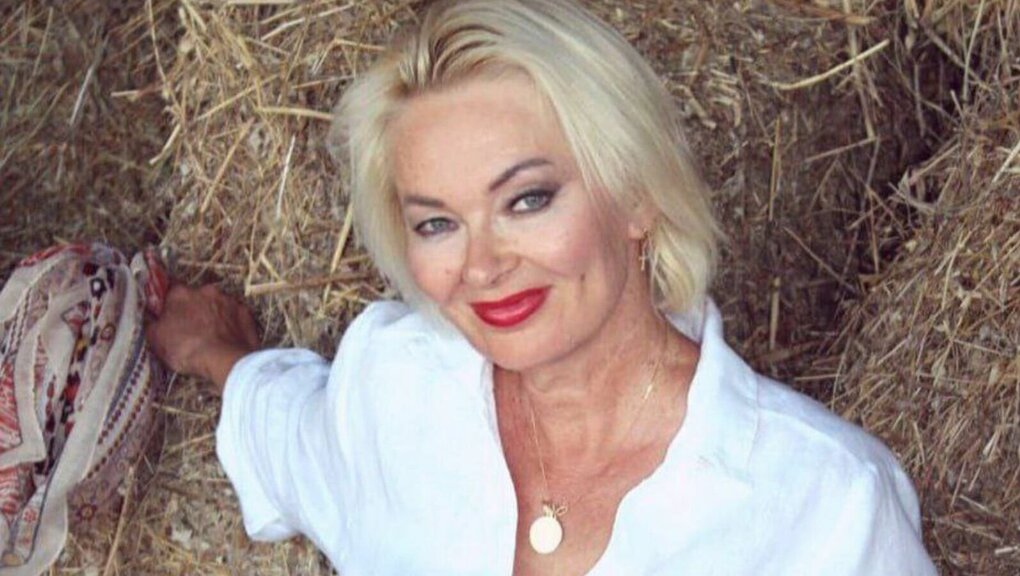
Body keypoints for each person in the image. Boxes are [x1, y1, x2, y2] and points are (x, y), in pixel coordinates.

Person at [144, 0, 937, 574]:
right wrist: (217, 353)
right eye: (437, 223)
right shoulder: (395, 389)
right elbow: (290, 431)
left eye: (527, 200)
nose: (483, 265)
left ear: (635, 195)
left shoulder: (827, 506)